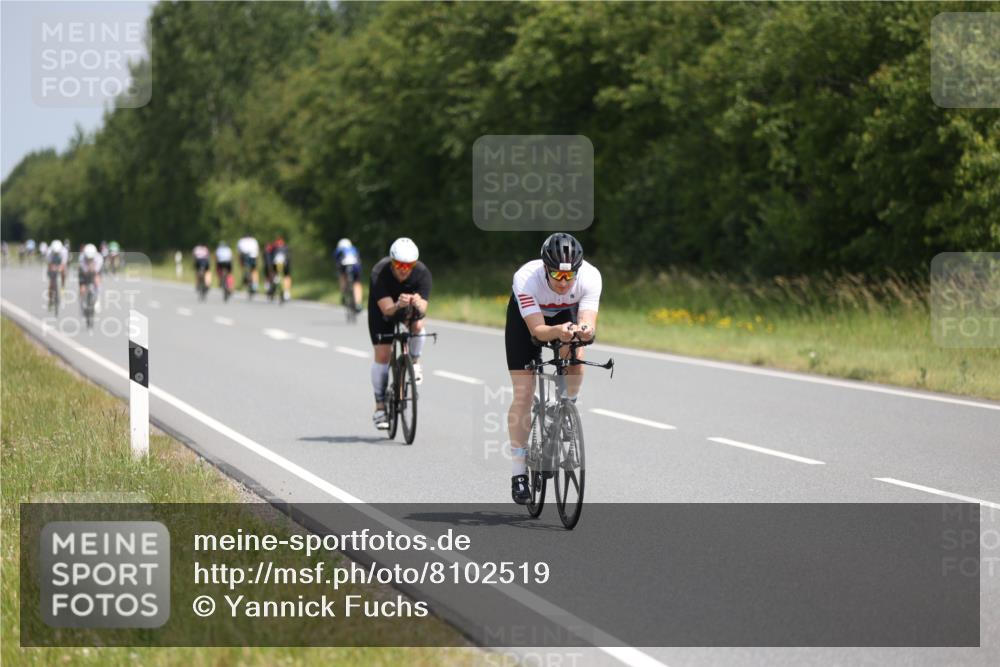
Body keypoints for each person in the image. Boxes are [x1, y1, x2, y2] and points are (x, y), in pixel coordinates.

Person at [505, 233, 602, 504]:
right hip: (528, 321)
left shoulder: (591, 277)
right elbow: (537, 331)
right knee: (524, 394)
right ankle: (518, 473)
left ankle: (567, 405)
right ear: (545, 269)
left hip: (563, 314)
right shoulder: (526, 278)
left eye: (569, 277)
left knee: (576, 353)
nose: (564, 282)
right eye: (557, 276)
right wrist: (557, 331)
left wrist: (582, 331)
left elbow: (587, 322)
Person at [367, 237, 432, 430]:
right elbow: (387, 310)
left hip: (407, 310)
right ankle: (379, 406)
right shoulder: (380, 273)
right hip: (383, 310)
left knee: (418, 325)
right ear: (392, 261)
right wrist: (398, 304)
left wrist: (417, 302)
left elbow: (424, 309)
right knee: (383, 355)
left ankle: (414, 361)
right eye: (399, 264)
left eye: (409, 265)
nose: (404, 269)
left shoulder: (422, 273)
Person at [335, 238, 363, 312]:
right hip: (355, 266)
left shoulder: (339, 250)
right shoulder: (354, 249)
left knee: (342, 276)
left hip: (343, 266)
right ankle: (358, 304)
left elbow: (336, 261)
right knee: (357, 283)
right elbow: (359, 259)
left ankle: (343, 294)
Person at [265, 236, 292, 302]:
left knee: (274, 274)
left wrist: (269, 266)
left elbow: (269, 257)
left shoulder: (272, 246)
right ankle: (286, 293)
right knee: (286, 276)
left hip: (275, 263)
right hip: (285, 263)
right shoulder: (286, 246)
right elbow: (288, 257)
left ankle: (275, 280)